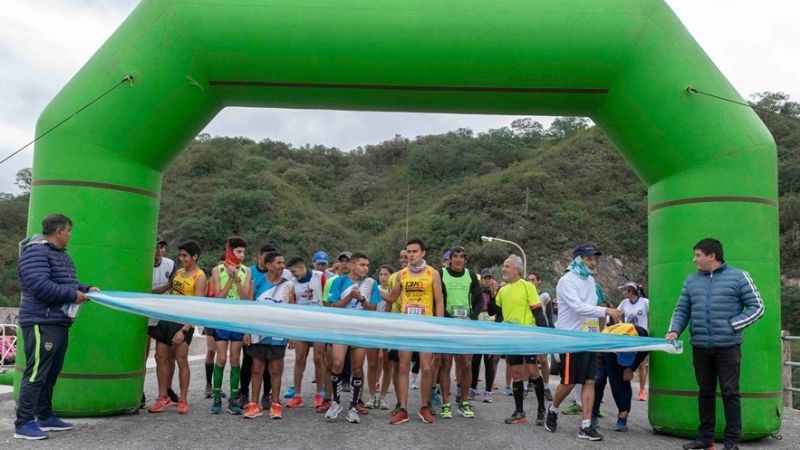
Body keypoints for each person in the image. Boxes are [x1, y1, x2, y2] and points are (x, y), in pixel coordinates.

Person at [667, 238, 764, 450]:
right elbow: (682, 309)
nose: (694, 260)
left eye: (698, 255)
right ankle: (705, 439)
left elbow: (757, 307)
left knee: (730, 393)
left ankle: (731, 442)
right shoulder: (691, 281)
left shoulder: (739, 277)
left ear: (712, 256)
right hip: (700, 346)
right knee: (705, 392)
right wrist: (674, 330)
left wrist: (733, 325)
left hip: (728, 347)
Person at [14, 214, 97, 440]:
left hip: (58, 322)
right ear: (59, 231)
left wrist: (86, 288)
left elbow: (67, 283)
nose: (70, 235)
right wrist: (73, 294)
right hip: (41, 322)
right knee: (36, 373)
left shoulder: (61, 256)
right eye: (69, 230)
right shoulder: (36, 253)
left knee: (51, 372)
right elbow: (39, 285)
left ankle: (44, 416)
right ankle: (23, 423)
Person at [545, 243, 620, 442]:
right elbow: (578, 307)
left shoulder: (590, 282)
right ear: (578, 259)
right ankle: (553, 409)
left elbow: (594, 308)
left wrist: (603, 329)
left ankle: (586, 425)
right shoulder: (566, 281)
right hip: (570, 339)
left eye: (594, 259)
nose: (593, 262)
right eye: (588, 258)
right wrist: (605, 311)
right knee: (569, 382)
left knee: (589, 381)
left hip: (589, 337)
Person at [382, 238, 445, 425]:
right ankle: (403, 409)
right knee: (403, 366)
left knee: (426, 368)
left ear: (423, 253)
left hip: (425, 326)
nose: (410, 255)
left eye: (414, 251)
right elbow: (392, 298)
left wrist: (438, 326)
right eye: (408, 252)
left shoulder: (432, 273)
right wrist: (378, 293)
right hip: (406, 325)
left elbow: (439, 301)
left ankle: (424, 407)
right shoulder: (401, 274)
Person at [148, 240, 206, 414]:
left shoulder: (200, 277)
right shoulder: (179, 272)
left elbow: (198, 306)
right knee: (160, 356)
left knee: (181, 360)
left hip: (183, 323)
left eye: (185, 256)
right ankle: (162, 397)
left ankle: (183, 399)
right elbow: (169, 291)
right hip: (167, 319)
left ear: (195, 257)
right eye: (180, 255)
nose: (182, 259)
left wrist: (184, 330)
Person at [488, 255, 548, 426]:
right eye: (503, 266)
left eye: (507, 266)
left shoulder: (528, 286)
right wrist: (493, 295)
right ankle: (519, 412)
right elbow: (492, 312)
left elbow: (538, 313)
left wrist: (545, 335)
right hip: (511, 338)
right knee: (515, 374)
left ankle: (541, 409)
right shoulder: (503, 290)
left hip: (527, 336)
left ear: (517, 269)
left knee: (532, 371)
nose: (503, 269)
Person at [325, 252, 381, 423]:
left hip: (360, 329)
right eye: (362, 265)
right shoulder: (339, 281)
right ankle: (335, 402)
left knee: (357, 368)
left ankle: (353, 407)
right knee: (337, 363)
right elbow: (334, 306)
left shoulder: (371, 283)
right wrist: (350, 296)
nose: (365, 268)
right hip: (341, 328)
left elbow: (373, 308)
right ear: (352, 265)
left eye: (367, 266)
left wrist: (362, 299)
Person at [243, 250, 293, 420]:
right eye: (279, 263)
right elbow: (249, 308)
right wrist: (246, 331)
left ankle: (275, 404)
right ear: (269, 265)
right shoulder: (256, 283)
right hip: (258, 332)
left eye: (283, 263)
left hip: (277, 332)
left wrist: (291, 334)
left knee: (275, 369)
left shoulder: (288, 285)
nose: (282, 266)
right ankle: (254, 405)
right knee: (257, 368)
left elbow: (292, 311)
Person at [437, 246, 482, 419]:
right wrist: (447, 317)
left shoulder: (471, 276)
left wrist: (471, 316)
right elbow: (438, 299)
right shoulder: (441, 274)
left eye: (461, 256)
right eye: (454, 256)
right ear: (449, 259)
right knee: (446, 364)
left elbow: (478, 301)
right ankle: (445, 404)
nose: (457, 259)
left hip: (466, 326)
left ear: (465, 259)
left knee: (466, 364)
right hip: (447, 325)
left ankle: (464, 402)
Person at [210, 236, 252, 415]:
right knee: (221, 358)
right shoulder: (217, 270)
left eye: (243, 252)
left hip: (239, 319)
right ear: (230, 251)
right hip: (221, 318)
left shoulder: (246, 271)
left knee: (235, 359)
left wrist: (237, 279)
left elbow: (245, 298)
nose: (242, 255)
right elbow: (219, 297)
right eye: (238, 251)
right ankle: (217, 397)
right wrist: (229, 279)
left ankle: (234, 399)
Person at [285, 255, 329, 411]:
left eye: (294, 271)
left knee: (318, 358)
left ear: (302, 267)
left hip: (319, 323)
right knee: (299, 358)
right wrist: (290, 333)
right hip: (301, 324)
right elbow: (291, 305)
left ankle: (319, 393)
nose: (293, 274)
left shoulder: (320, 276)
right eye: (290, 272)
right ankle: (297, 395)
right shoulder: (292, 283)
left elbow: (327, 299)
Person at [144, 236, 178, 408]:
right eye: (156, 247)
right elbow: (145, 292)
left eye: (162, 248)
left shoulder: (171, 264)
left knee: (168, 356)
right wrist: (166, 287)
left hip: (165, 316)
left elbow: (177, 286)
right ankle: (139, 392)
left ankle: (168, 389)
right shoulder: (141, 264)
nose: (159, 251)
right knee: (142, 355)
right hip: (145, 316)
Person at [617, 281, 650, 401]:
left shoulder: (645, 302)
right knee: (625, 362)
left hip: (641, 337)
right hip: (628, 337)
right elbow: (617, 314)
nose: (624, 292)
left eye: (625, 290)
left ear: (631, 291)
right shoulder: (624, 303)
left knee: (640, 363)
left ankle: (642, 391)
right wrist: (618, 326)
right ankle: (625, 388)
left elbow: (653, 314)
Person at [471, 268, 499, 404]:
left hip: (490, 332)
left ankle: (488, 391)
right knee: (475, 361)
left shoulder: (496, 293)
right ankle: (472, 387)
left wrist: (494, 296)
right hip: (477, 332)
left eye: (490, 278)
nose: (488, 280)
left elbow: (497, 311)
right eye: (485, 278)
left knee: (489, 362)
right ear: (481, 279)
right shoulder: (476, 293)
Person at [528, 272, 554, 402]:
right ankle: (529, 383)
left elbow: (549, 315)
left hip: (542, 330)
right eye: (529, 280)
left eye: (533, 280)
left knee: (543, 360)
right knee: (529, 360)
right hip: (529, 331)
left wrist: (550, 330)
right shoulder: (525, 294)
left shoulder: (544, 296)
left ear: (539, 281)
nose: (531, 282)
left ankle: (546, 387)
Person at [203, 254, 226, 399]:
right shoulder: (211, 280)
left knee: (221, 355)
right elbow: (204, 298)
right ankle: (208, 384)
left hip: (224, 319)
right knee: (211, 350)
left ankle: (218, 385)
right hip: (211, 318)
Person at [375, 264, 394, 410]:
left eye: (386, 274)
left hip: (389, 329)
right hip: (375, 328)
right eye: (381, 274)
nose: (383, 277)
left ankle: (383, 396)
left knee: (387, 363)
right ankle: (374, 390)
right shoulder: (374, 289)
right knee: (375, 361)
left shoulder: (394, 290)